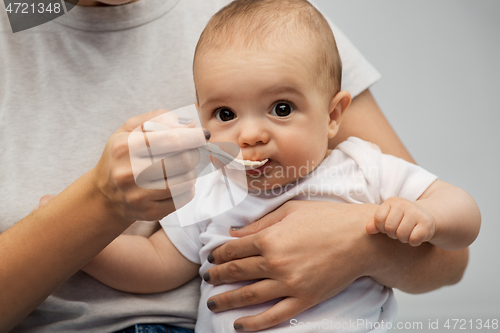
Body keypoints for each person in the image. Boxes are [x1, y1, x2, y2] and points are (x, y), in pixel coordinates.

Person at [0, 0, 474, 332]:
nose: (249, 134)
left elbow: (452, 237)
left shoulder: (361, 166)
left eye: (281, 109)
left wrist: (402, 228)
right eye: (225, 115)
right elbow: (160, 264)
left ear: (334, 115)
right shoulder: (215, 187)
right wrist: (85, 224)